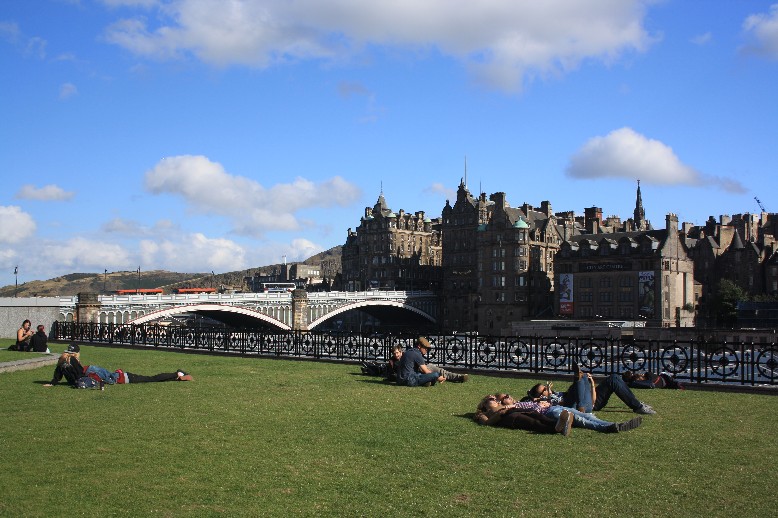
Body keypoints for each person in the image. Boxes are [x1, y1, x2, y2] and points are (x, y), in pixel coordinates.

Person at [525, 363, 657, 415]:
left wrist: (592, 383)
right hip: (579, 403)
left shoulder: (557, 394)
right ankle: (579, 378)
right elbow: (531, 402)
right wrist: (539, 398)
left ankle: (638, 406)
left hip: (590, 398)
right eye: (544, 389)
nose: (547, 389)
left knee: (614, 378)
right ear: (541, 396)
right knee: (576, 386)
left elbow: (594, 398)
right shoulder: (548, 402)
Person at [43, 343, 194, 387]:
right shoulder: (82, 367)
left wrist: (53, 383)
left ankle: (177, 374)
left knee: (150, 378)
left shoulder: (63, 363)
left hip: (121, 377)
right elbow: (79, 375)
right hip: (121, 376)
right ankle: (177, 374)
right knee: (150, 378)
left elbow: (60, 376)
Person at [496, 393, 643, 433]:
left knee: (586, 416)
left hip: (554, 408)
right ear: (502, 403)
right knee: (582, 420)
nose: (509, 396)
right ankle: (609, 427)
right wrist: (508, 407)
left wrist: (543, 401)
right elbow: (502, 412)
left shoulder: (522, 401)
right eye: (505, 398)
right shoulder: (513, 408)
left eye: (508, 395)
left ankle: (611, 424)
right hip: (550, 413)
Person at [474, 393, 573, 436]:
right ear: (485, 404)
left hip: (514, 410)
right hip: (509, 417)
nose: (495, 400)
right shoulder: (483, 413)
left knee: (537, 415)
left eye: (496, 399)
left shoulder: (501, 405)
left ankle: (559, 423)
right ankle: (555, 429)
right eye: (491, 399)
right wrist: (500, 412)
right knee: (532, 422)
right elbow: (487, 423)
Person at [364, 344, 469, 383]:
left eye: (398, 353)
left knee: (438, 370)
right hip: (413, 374)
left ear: (401, 352)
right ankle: (457, 377)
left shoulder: (406, 356)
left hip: (415, 372)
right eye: (394, 353)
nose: (396, 355)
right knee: (436, 371)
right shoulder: (394, 361)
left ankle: (457, 377)